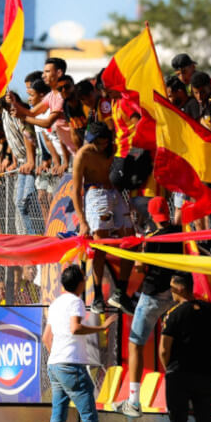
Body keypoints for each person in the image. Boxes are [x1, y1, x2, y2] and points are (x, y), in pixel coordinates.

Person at [113, 197, 182, 417]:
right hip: (173, 295)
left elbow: (141, 268)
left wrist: (137, 253)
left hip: (153, 296)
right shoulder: (179, 233)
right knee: (169, 345)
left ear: (152, 216)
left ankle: (134, 401)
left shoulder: (151, 238)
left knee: (135, 345)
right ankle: (175, 399)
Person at [43, 264, 115, 422]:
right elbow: (75, 328)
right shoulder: (76, 302)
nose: (85, 282)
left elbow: (46, 338)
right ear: (79, 283)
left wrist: (57, 356)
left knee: (58, 417)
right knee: (89, 416)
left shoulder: (55, 303)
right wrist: (101, 328)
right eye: (84, 279)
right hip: (71, 366)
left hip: (55, 365)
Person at [71, 122, 135, 314]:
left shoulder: (113, 148)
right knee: (101, 243)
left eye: (104, 141)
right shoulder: (83, 154)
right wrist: (82, 221)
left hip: (115, 193)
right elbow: (75, 191)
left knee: (131, 239)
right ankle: (98, 296)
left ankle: (120, 292)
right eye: (98, 142)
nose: (102, 145)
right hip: (95, 193)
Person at [160, 272, 211, 422]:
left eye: (172, 288)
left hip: (179, 376)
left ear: (181, 288)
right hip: (205, 375)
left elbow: (164, 349)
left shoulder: (173, 314)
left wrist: (170, 369)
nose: (171, 292)